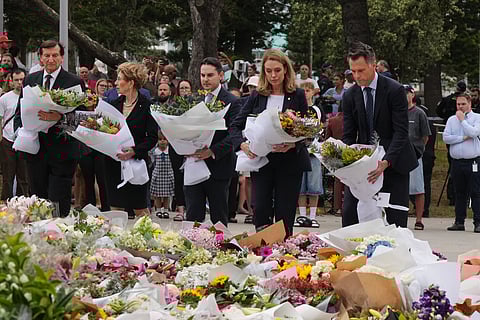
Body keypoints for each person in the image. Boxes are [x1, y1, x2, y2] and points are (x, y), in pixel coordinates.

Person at [231, 48, 311, 236]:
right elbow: (235, 126)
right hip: (262, 161)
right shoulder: (257, 95)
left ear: (285, 70)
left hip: (290, 161)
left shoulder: (297, 95)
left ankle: (284, 249)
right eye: (268, 71)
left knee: (285, 209)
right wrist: (242, 145)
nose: (273, 75)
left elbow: (308, 130)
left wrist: (293, 144)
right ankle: (261, 248)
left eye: (277, 70)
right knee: (260, 207)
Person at [342, 41, 417, 228]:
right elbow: (349, 136)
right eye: (353, 71)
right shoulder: (350, 95)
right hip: (364, 167)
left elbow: (401, 131)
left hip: (394, 162)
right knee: (351, 217)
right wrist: (345, 163)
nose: (357, 76)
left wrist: (386, 161)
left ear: (373, 65)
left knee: (395, 222)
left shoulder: (394, 90)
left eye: (361, 71)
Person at [13, 40, 86, 217]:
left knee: (58, 199)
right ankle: (40, 235)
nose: (51, 59)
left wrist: (60, 117)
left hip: (62, 151)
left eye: (55, 55)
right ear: (40, 58)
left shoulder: (73, 82)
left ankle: (59, 233)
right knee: (38, 198)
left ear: (62, 58)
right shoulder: (31, 79)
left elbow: (82, 118)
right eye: (47, 55)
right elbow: (19, 112)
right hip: (35, 150)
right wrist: (19, 133)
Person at [183, 57, 241, 226]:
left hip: (219, 166)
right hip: (194, 164)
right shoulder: (194, 100)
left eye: (210, 75)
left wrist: (213, 151)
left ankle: (221, 248)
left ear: (221, 76)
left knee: (219, 216)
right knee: (193, 214)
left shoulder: (232, 101)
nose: (205, 79)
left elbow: (234, 134)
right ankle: (191, 249)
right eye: (202, 75)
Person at [104, 62, 158, 217]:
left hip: (136, 164)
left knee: (140, 208)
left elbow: (152, 137)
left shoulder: (147, 106)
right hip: (113, 164)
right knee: (116, 208)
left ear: (131, 83)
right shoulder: (113, 104)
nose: (115, 83)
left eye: (119, 79)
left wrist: (134, 151)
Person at [443, 92, 480, 233]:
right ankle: (459, 221)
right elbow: (446, 138)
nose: (460, 106)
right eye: (458, 104)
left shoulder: (477, 118)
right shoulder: (452, 120)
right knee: (459, 192)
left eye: (463, 104)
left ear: (470, 104)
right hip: (457, 162)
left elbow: (473, 133)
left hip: (473, 161)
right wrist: (462, 138)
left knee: (476, 192)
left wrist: (463, 121)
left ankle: (478, 222)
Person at [296, 81, 323, 228]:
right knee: (300, 186)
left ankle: (312, 217)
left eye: (308, 90)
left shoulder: (317, 110)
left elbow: (321, 127)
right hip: (300, 150)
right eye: (303, 90)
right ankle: (301, 215)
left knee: (314, 186)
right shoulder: (297, 109)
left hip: (313, 151)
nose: (305, 93)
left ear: (313, 92)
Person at [404, 85, 431, 230]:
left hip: (414, 155)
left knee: (418, 188)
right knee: (399, 188)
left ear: (412, 94)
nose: (405, 96)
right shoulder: (396, 112)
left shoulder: (419, 113)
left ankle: (419, 219)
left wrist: (419, 149)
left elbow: (425, 135)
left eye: (407, 93)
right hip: (399, 155)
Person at [436, 80, 467, 206]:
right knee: (455, 166)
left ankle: (454, 196)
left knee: (453, 165)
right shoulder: (462, 101)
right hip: (455, 132)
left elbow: (438, 109)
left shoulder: (448, 99)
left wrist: (445, 117)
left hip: (454, 133)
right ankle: (455, 195)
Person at [0, 69, 29, 200]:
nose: (19, 83)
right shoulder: (5, 98)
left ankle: (21, 205)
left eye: (21, 79)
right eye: (16, 80)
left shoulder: (29, 97)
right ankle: (5, 204)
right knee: (8, 176)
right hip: (8, 140)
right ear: (11, 81)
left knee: (24, 177)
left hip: (24, 140)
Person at [150, 131, 174, 219]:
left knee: (167, 195)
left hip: (168, 174)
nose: (162, 141)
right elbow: (152, 162)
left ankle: (166, 211)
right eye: (160, 139)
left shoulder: (170, 151)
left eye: (164, 139)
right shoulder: (155, 151)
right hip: (158, 174)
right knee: (158, 195)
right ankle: (159, 210)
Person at [326, 107, 344, 216]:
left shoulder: (332, 121)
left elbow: (327, 139)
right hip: (351, 149)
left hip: (336, 152)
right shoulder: (352, 119)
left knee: (338, 181)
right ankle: (348, 205)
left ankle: (337, 207)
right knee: (351, 181)